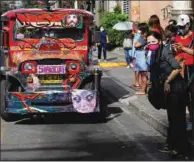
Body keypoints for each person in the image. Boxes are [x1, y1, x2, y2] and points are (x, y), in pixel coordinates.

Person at [173, 14, 194, 129]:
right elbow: (177, 52)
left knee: (192, 95)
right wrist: (175, 49)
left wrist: (184, 48)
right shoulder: (177, 36)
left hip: (191, 68)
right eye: (179, 27)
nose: (180, 29)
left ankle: (192, 118)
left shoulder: (193, 37)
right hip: (180, 68)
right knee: (183, 96)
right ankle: (188, 119)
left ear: (188, 25)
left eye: (182, 26)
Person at [134, 23, 149, 95]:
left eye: (140, 28)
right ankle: (143, 89)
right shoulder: (142, 36)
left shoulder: (144, 37)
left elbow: (136, 45)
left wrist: (137, 42)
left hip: (142, 56)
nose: (139, 30)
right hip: (139, 56)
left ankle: (143, 90)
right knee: (142, 73)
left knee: (143, 73)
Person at [131, 21, 141, 87]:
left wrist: (133, 55)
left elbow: (136, 45)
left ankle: (137, 83)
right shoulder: (137, 34)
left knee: (137, 69)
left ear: (135, 26)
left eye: (132, 26)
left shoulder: (139, 34)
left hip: (137, 54)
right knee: (136, 69)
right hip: (135, 54)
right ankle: (137, 82)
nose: (132, 28)